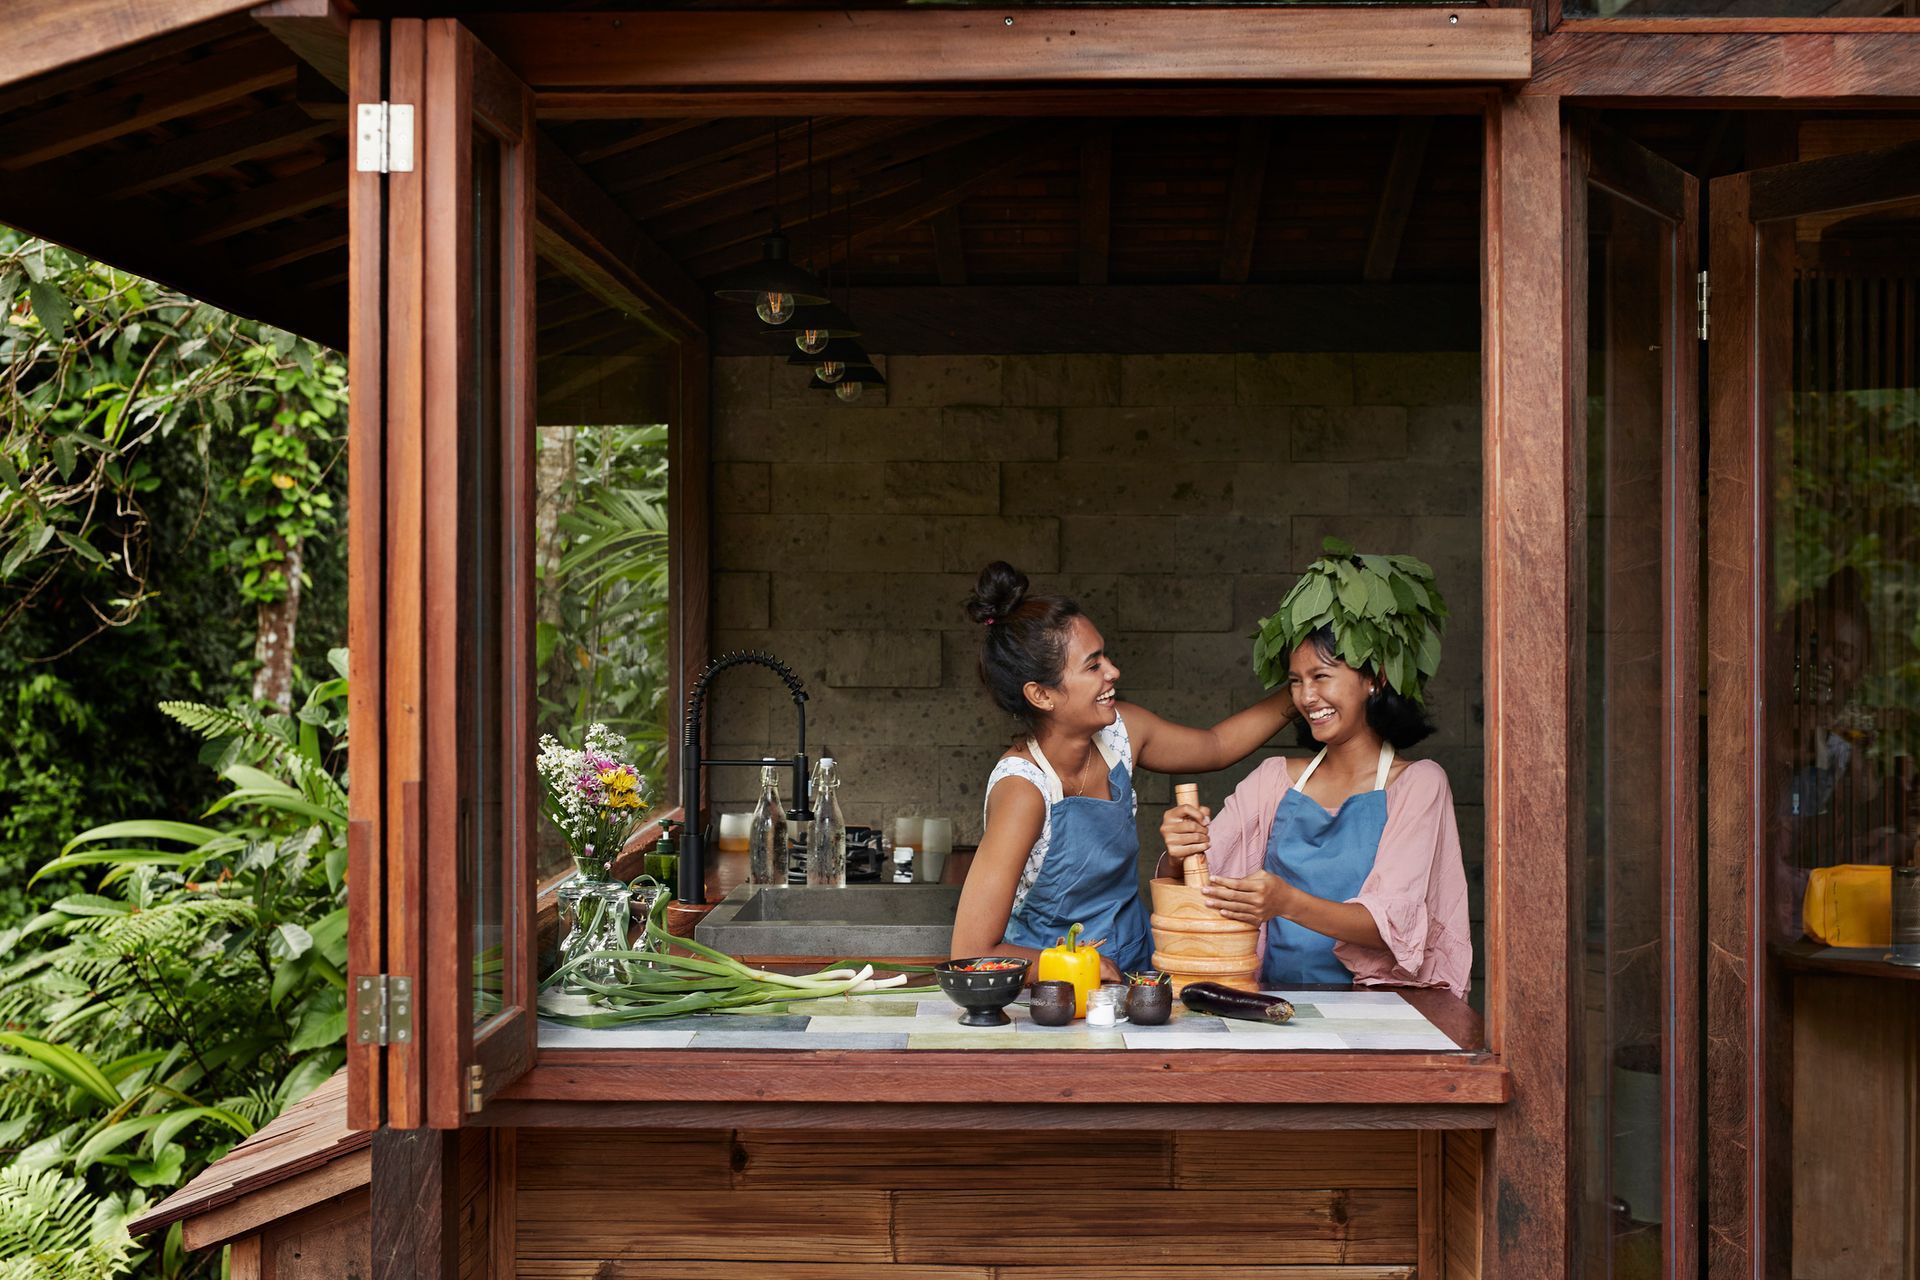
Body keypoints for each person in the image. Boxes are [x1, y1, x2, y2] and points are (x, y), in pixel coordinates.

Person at [949, 562, 1298, 980]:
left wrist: (1302, 691)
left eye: (1105, 656)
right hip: (1055, 997)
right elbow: (971, 951)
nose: (1113, 671)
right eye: (1093, 665)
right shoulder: (1024, 790)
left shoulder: (1120, 734)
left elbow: (1217, 745)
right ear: (1041, 694)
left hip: (1137, 970)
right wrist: (1084, 967)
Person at [1158, 624, 1472, 998]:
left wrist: (1286, 902)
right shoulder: (1273, 779)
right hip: (1275, 1001)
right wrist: (1180, 855)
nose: (1306, 697)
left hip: (1378, 1007)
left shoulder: (1419, 784)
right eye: (1295, 681)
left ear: (1375, 679)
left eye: (1321, 676)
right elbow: (1199, 890)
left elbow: (1393, 926)